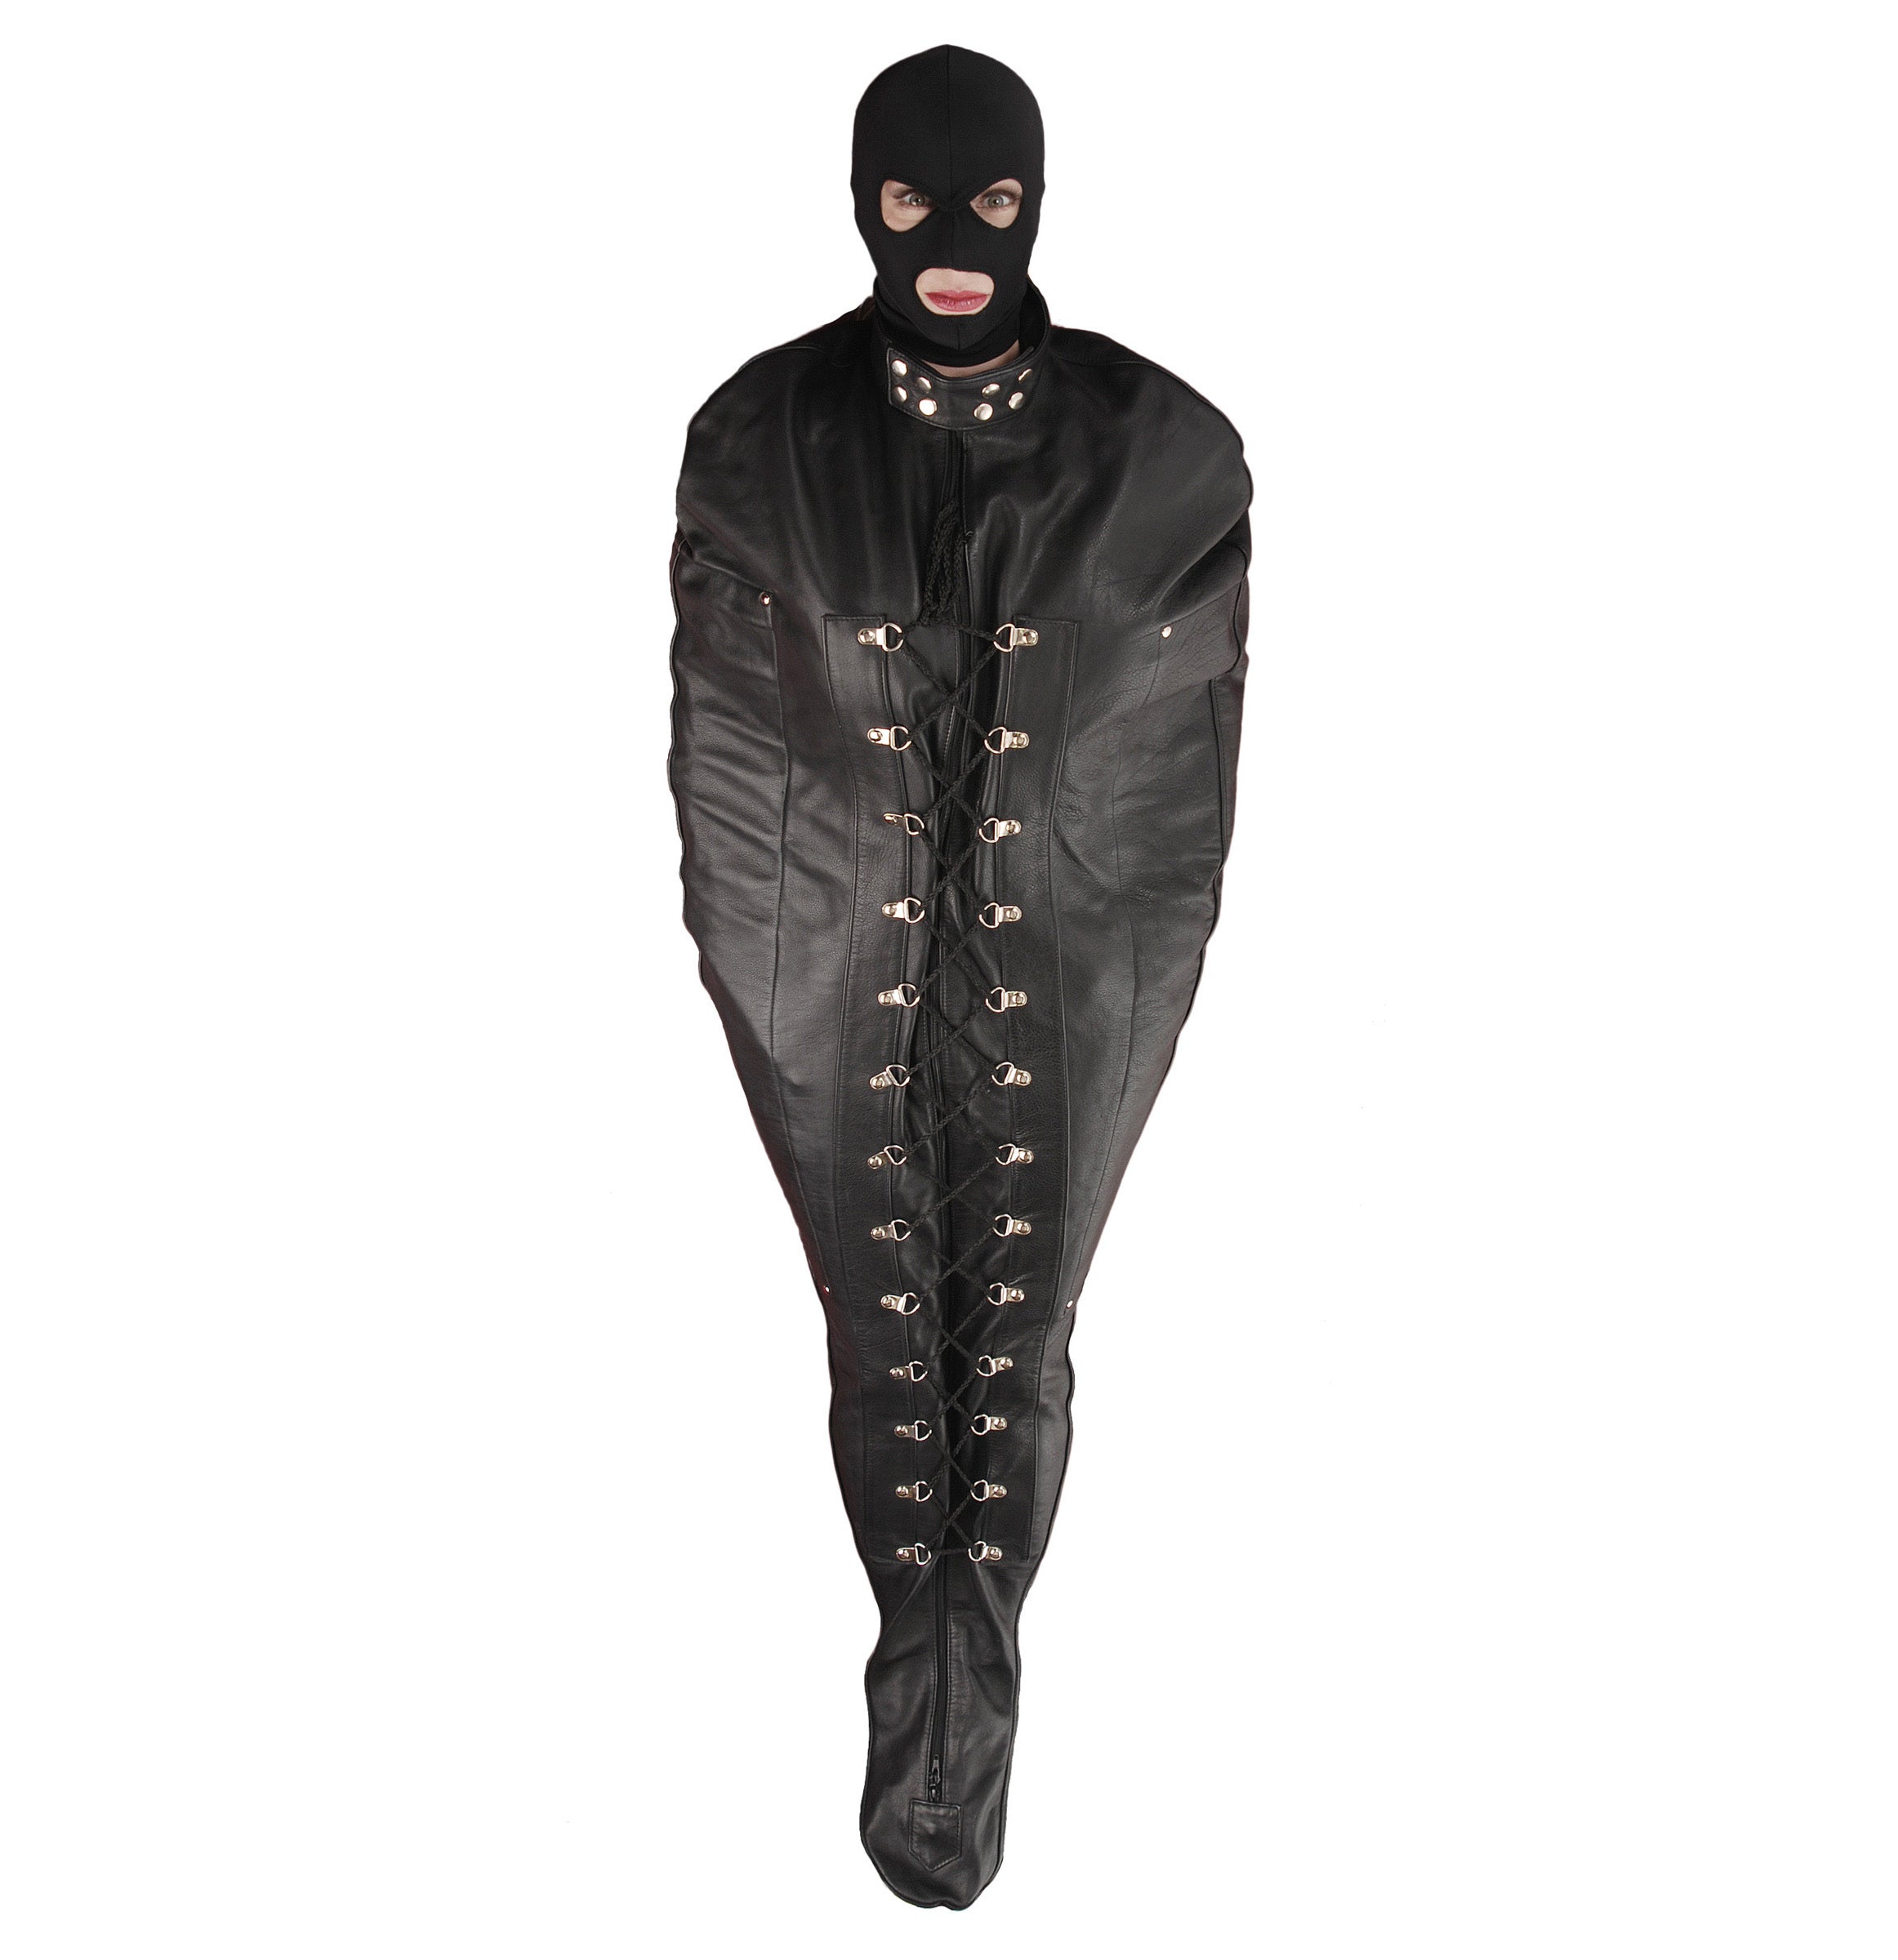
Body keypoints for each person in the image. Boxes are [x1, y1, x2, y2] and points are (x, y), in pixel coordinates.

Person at [669, 45, 1251, 1908]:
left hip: (1077, 927)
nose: (949, 239)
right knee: (879, 1319)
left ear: (1040, 203)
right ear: (860, 201)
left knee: (1019, 1313)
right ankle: (929, 1681)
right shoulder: (759, 440)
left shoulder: (1166, 456)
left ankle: (963, 1674)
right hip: (819, 923)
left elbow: (1165, 783)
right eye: (911, 200)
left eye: (991, 201)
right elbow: (737, 758)